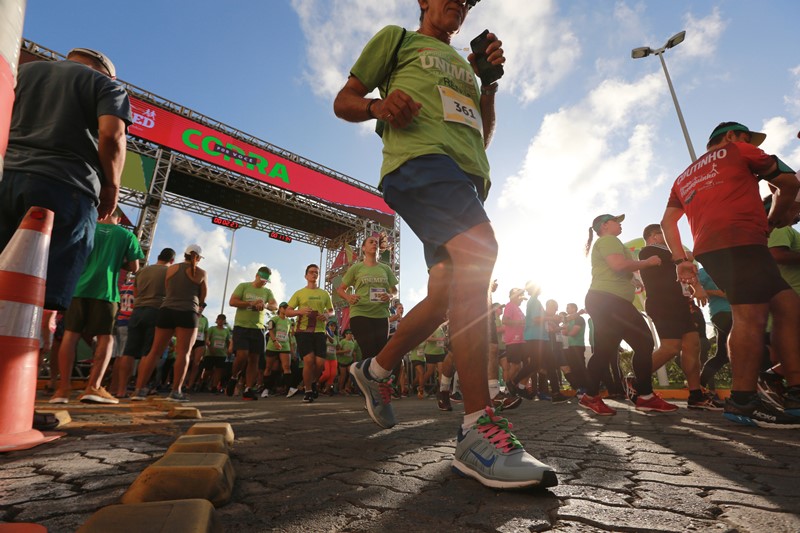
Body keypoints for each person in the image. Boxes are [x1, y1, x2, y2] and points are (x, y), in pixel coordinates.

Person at [333, 0, 555, 489]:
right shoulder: (399, 39)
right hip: (417, 162)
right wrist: (376, 105)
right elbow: (343, 100)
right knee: (481, 249)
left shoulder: (468, 70)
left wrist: (488, 85)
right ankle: (478, 429)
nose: (459, 1)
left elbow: (481, 135)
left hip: (465, 177)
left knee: (444, 295)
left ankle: (375, 369)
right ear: (424, 2)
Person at [661, 121, 800, 428]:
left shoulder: (683, 176)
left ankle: (794, 393)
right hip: (741, 237)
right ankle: (743, 401)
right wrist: (775, 220)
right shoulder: (739, 149)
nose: (751, 142)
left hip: (711, 246)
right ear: (730, 137)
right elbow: (789, 183)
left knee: (787, 304)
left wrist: (681, 260)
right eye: (747, 137)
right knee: (750, 315)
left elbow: (667, 221)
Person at [0, 48, 131, 316]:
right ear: (109, 74)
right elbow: (112, 135)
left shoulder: (20, 71)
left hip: (6, 177)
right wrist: (111, 186)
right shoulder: (106, 86)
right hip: (68, 187)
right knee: (41, 295)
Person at [581, 214, 678, 416]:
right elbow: (618, 265)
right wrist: (648, 263)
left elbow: (614, 268)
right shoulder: (609, 240)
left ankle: (590, 397)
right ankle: (645, 397)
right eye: (617, 221)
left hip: (604, 299)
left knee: (605, 350)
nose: (621, 224)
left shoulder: (607, 241)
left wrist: (631, 280)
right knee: (643, 341)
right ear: (606, 225)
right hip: (609, 300)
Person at [48, 209, 142, 404]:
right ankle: (93, 387)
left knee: (70, 336)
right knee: (106, 338)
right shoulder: (127, 235)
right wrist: (118, 261)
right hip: (105, 292)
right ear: (119, 217)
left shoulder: (87, 227)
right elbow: (135, 267)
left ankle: (62, 389)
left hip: (77, 288)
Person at [638, 224, 719, 410]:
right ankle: (636, 381)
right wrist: (688, 254)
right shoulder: (649, 251)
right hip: (662, 304)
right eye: (663, 234)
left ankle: (696, 394)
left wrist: (697, 288)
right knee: (670, 347)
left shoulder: (673, 256)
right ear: (653, 237)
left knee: (693, 345)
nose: (668, 237)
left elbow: (686, 270)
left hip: (681, 304)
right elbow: (685, 258)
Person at [132, 244, 207, 402]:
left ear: (185, 254)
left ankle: (138, 391)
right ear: (198, 258)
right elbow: (202, 298)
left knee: (154, 352)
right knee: (183, 353)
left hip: (166, 311)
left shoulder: (171, 269)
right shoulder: (201, 273)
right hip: (188, 312)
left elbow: (167, 288)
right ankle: (176, 392)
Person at [121, 248, 175, 399]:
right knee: (149, 352)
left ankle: (121, 389)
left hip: (137, 310)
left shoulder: (142, 271)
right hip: (156, 311)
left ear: (158, 256)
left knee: (129, 352)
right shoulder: (169, 272)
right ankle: (139, 388)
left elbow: (135, 293)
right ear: (172, 261)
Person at [336, 234, 399, 360]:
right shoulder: (356, 268)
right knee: (369, 351)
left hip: (381, 315)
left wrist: (390, 296)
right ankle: (363, 377)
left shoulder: (385, 268)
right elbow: (340, 289)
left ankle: (373, 378)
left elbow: (394, 291)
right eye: (371, 242)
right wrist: (348, 297)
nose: (375, 244)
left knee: (380, 354)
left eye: (376, 242)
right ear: (363, 248)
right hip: (360, 313)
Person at [226, 267, 278, 400]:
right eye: (262, 280)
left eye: (266, 281)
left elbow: (275, 306)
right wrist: (251, 303)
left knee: (254, 359)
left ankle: (248, 388)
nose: (264, 283)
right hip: (242, 326)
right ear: (256, 276)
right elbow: (232, 302)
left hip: (258, 328)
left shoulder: (267, 291)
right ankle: (233, 377)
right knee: (242, 355)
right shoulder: (243, 286)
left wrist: (264, 305)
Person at [285, 264, 334, 403]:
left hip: (319, 331)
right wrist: (298, 311)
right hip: (303, 331)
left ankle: (313, 382)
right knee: (309, 360)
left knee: (320, 363)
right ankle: (307, 391)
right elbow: (288, 311)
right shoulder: (299, 293)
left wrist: (326, 314)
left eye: (316, 272)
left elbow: (331, 310)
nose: (314, 274)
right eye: (311, 272)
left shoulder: (324, 294)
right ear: (306, 276)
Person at [265, 302, 294, 396]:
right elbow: (270, 330)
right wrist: (274, 341)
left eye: (288, 308)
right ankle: (266, 389)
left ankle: (288, 390)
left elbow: (289, 335)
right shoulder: (274, 319)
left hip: (285, 347)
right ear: (280, 308)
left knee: (287, 367)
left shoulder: (289, 321)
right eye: (284, 308)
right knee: (269, 367)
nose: (286, 310)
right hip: (272, 346)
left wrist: (291, 349)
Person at [561, 303, 589, 394]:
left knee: (579, 368)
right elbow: (564, 332)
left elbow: (573, 333)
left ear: (574, 309)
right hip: (569, 347)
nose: (566, 309)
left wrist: (567, 332)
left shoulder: (579, 319)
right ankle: (578, 389)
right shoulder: (568, 320)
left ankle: (585, 388)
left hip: (578, 346)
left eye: (568, 307)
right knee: (572, 368)